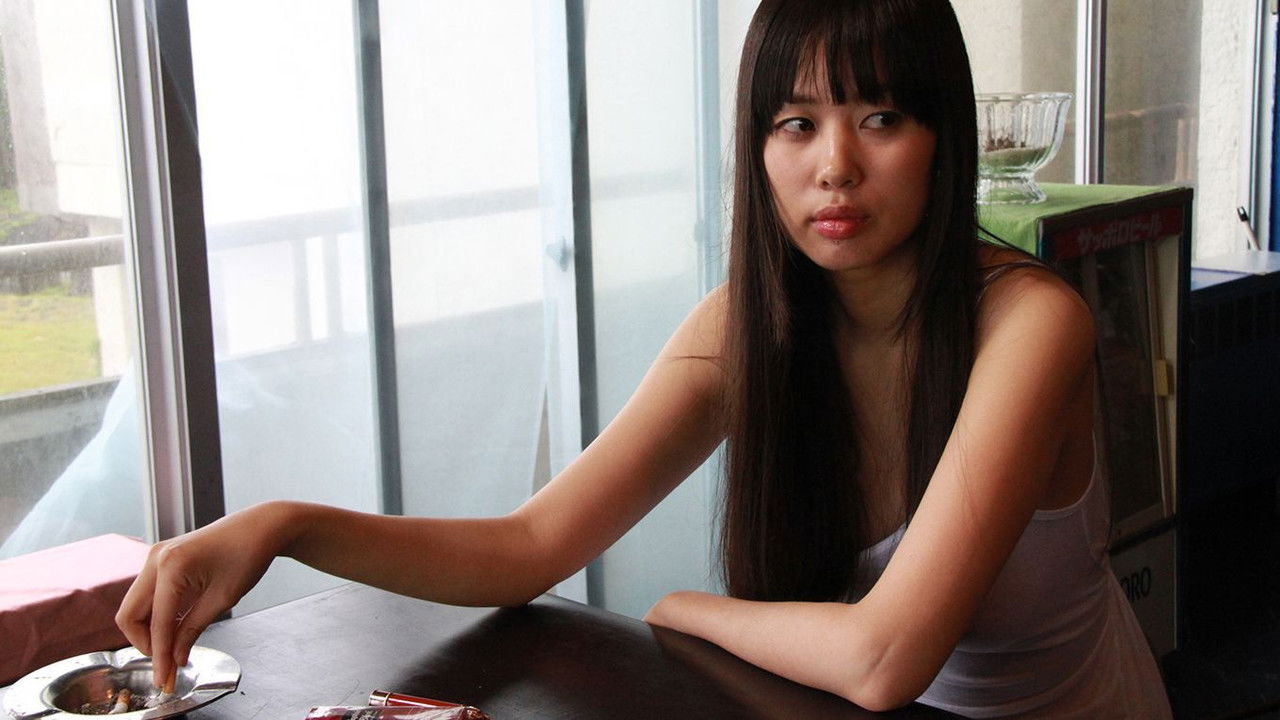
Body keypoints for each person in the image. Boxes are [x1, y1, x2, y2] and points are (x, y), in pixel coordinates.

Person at [116, 0, 1173, 716]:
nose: (834, 166)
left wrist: (682, 610)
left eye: (881, 117)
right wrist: (284, 526)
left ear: (942, 138)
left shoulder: (1028, 324)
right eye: (795, 123)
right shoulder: (746, 329)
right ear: (756, 147)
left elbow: (883, 659)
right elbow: (528, 547)